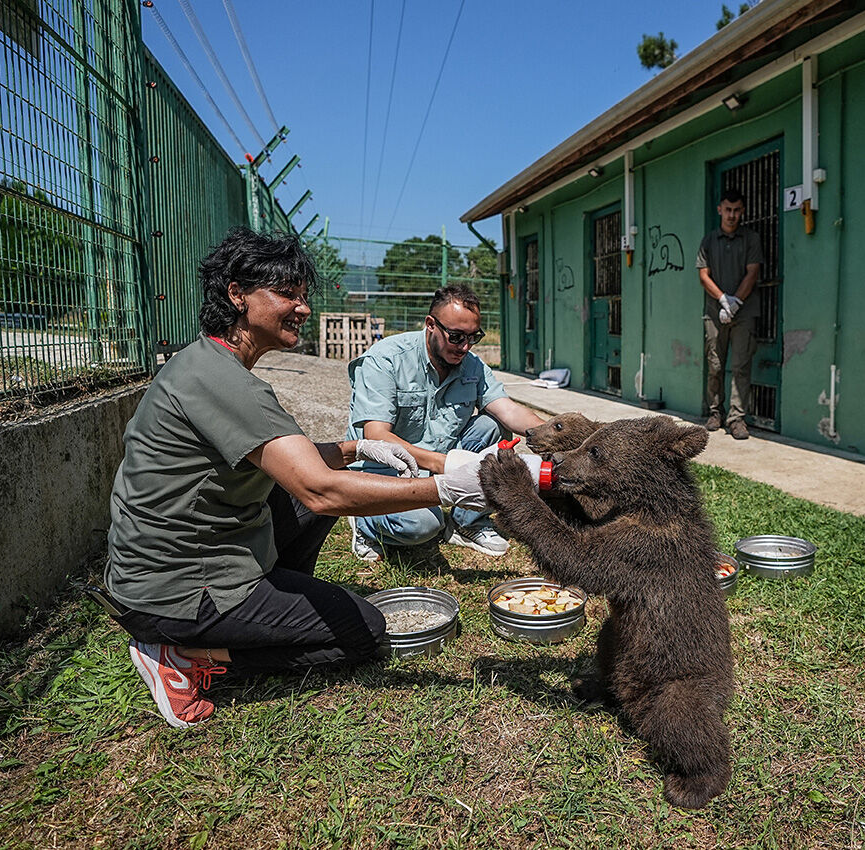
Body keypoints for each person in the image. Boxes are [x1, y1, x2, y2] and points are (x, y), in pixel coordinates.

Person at [105, 228, 488, 729]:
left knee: (324, 476)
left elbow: (294, 459)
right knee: (366, 634)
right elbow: (320, 491)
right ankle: (184, 656)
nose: (302, 308)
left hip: (194, 554)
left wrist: (356, 448)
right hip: (180, 588)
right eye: (287, 294)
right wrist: (449, 488)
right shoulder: (223, 381)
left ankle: (271, 607)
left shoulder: (207, 362)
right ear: (236, 294)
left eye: (303, 296)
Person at [346, 283, 545, 561]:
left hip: (439, 463)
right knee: (423, 526)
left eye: (473, 338)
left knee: (493, 425)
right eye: (456, 337)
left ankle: (466, 522)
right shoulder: (386, 360)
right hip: (386, 471)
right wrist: (445, 465)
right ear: (430, 324)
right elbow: (376, 435)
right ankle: (365, 522)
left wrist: (556, 436)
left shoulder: (471, 364)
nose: (465, 347)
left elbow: (509, 410)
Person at [696, 187, 764, 440]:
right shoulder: (709, 241)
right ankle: (715, 412)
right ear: (720, 210)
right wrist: (723, 300)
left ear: (742, 211)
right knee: (714, 365)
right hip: (714, 312)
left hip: (744, 312)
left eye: (737, 211)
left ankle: (737, 419)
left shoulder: (751, 239)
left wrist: (735, 303)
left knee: (741, 367)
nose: (732, 215)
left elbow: (753, 271)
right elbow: (703, 275)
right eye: (728, 210)